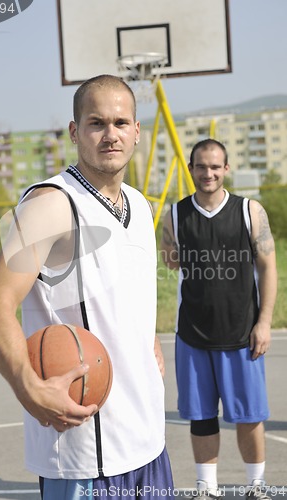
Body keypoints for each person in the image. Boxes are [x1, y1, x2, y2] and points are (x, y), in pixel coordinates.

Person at [0, 75, 175, 499]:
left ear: (137, 132)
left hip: (149, 441)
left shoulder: (140, 206)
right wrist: (28, 386)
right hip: (86, 451)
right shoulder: (48, 204)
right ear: (74, 131)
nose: (110, 135)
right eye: (96, 123)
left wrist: (148, 338)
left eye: (121, 123)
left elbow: (126, 291)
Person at [160, 139, 277, 500]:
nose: (207, 173)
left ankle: (256, 485)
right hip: (193, 333)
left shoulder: (249, 211)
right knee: (201, 416)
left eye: (215, 166)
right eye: (200, 166)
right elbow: (171, 261)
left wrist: (264, 321)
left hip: (242, 332)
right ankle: (206, 488)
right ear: (191, 169)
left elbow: (268, 266)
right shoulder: (175, 216)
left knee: (249, 416)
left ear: (226, 168)